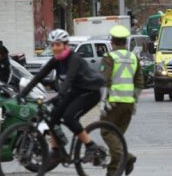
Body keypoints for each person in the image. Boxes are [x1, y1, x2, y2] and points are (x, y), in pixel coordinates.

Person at [18, 29, 106, 162]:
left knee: (69, 117)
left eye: (58, 44)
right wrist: (23, 93)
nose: (55, 48)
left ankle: (91, 146)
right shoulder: (56, 60)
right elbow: (39, 76)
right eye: (52, 45)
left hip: (91, 91)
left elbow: (69, 78)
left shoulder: (74, 59)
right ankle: (56, 150)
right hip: (76, 91)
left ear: (65, 45)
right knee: (52, 117)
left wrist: (60, 95)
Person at [99, 25, 145, 176]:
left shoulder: (109, 57)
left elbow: (104, 81)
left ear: (112, 42)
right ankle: (117, 166)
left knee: (107, 132)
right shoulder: (134, 58)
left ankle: (124, 160)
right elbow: (139, 83)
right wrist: (135, 101)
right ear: (125, 42)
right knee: (117, 136)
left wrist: (102, 102)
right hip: (128, 104)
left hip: (113, 103)